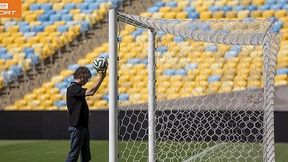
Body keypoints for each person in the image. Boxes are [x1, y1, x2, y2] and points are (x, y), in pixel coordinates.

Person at [66, 66, 106, 162]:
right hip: (77, 126)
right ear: (81, 76)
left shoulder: (77, 88)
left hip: (82, 126)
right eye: (87, 78)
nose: (87, 80)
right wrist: (101, 78)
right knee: (73, 156)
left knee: (86, 156)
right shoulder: (73, 88)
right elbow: (91, 92)